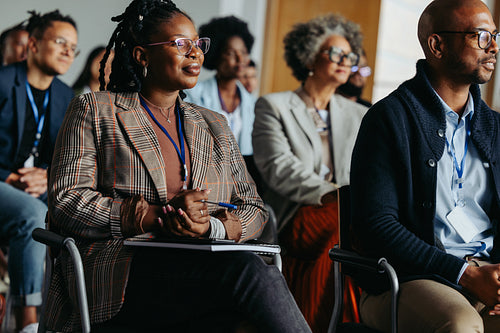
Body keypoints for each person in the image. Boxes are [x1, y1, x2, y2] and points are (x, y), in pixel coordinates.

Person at [45, 1, 311, 332]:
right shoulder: (96, 111)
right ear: (143, 56)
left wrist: (211, 229)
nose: (195, 53)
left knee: (247, 305)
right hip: (122, 271)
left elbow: (254, 208)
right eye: (181, 44)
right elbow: (66, 200)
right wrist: (153, 216)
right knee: (249, 272)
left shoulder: (214, 124)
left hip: (200, 266)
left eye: (198, 44)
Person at [349, 0, 500, 332]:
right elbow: (378, 226)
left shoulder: (495, 128)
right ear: (437, 45)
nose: (494, 47)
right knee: (460, 325)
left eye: (495, 36)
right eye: (482, 37)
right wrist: (465, 274)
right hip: (410, 278)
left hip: (488, 273)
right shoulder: (390, 119)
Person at [253, 14, 367, 332]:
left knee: (348, 225)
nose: (346, 61)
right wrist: (332, 194)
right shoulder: (273, 106)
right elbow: (279, 168)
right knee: (342, 222)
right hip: (294, 214)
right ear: (309, 57)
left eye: (350, 55)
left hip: (346, 214)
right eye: (336, 53)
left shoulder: (360, 114)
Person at [0, 9, 77, 333]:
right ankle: (28, 320)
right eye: (60, 42)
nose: (68, 52)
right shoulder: (3, 82)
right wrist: (7, 177)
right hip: (3, 180)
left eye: (73, 47)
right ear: (33, 44)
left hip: (38, 185)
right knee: (32, 214)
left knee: (81, 208)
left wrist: (46, 175)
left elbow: (66, 160)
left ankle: (78, 316)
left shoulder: (65, 95)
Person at [183, 15, 255, 156]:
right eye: (231, 53)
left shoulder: (252, 102)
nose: (240, 59)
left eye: (244, 53)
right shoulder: (192, 94)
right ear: (216, 56)